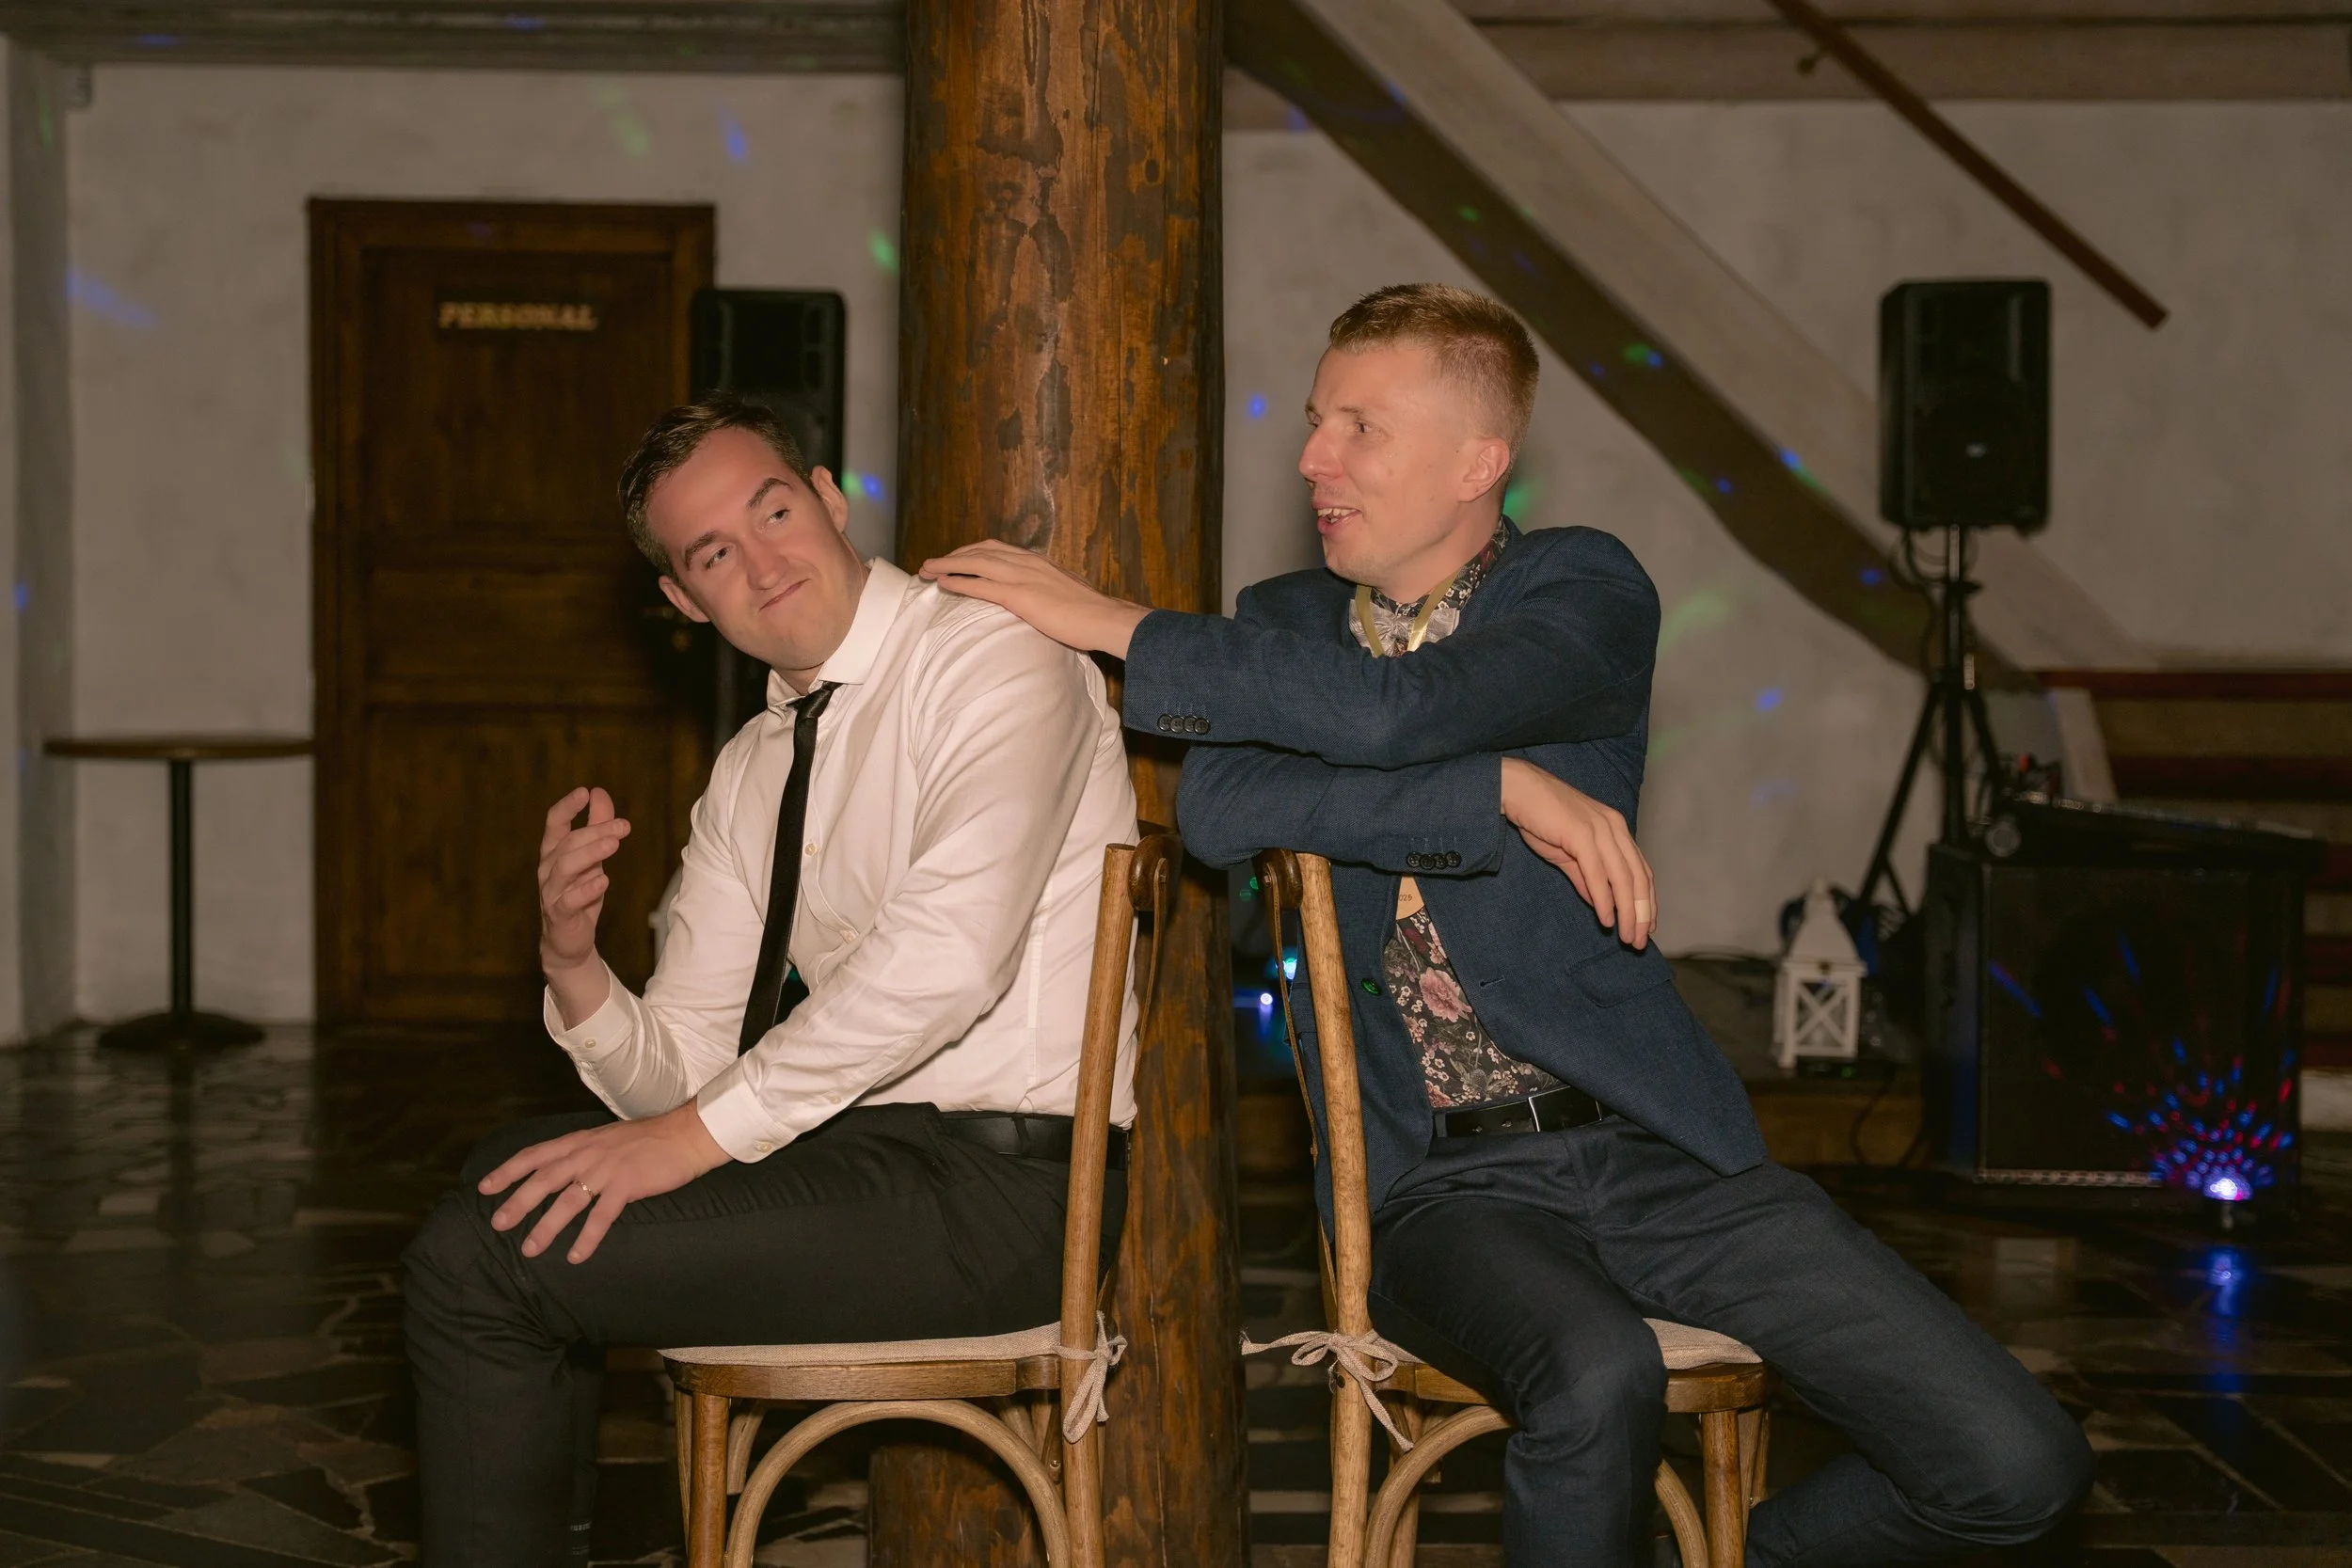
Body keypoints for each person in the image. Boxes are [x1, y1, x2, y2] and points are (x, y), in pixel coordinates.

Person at [921, 283, 2092, 1566]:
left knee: (2014, 1459)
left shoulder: (1582, 591)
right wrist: (1497, 790)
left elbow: (1389, 714)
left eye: (1359, 426)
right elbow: (1223, 805)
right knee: (1597, 1377)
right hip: (1439, 1183)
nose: (1313, 457)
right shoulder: (1285, 622)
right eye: (1317, 421)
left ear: (1480, 461)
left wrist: (1117, 624)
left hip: (1663, 1148)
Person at [403, 394, 1139, 1568]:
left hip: (999, 1194)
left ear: (831, 499)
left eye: (775, 508)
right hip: (858, 1158)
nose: (763, 560)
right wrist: (572, 961)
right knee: (503, 1182)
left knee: (483, 1256)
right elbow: (681, 1068)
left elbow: (948, 959)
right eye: (712, 554)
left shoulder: (993, 654)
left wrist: (696, 1136)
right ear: (684, 603)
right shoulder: (755, 766)